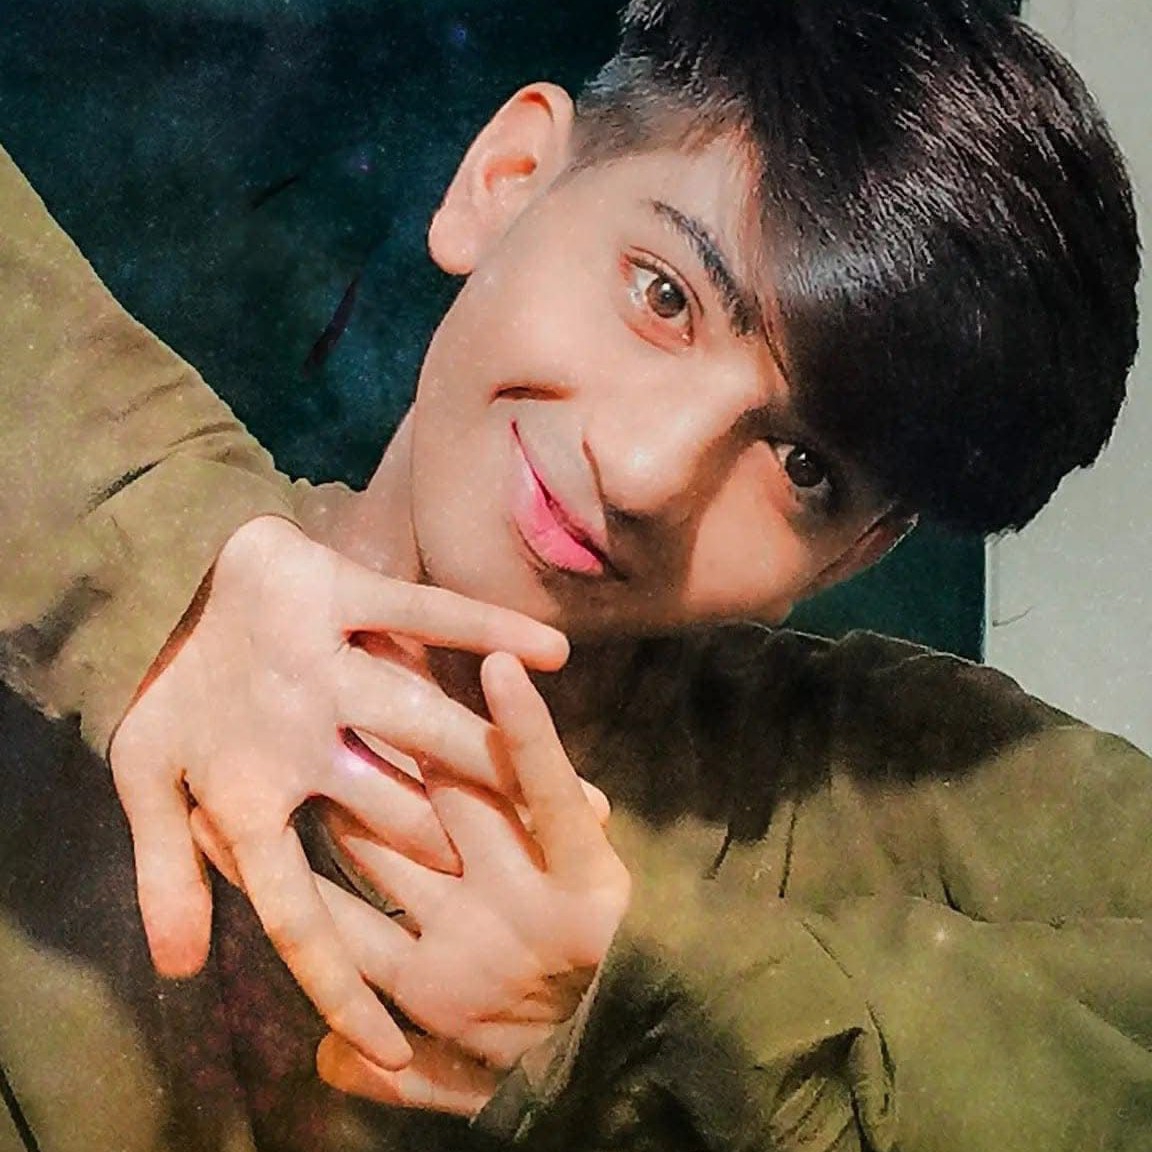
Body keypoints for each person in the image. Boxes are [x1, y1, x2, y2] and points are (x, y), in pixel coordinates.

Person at [2, 0, 1149, 1148]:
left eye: (804, 467)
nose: (647, 471)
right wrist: (158, 556)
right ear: (504, 180)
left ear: (854, 551)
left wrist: (656, 1009)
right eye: (664, 296)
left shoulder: (862, 795)